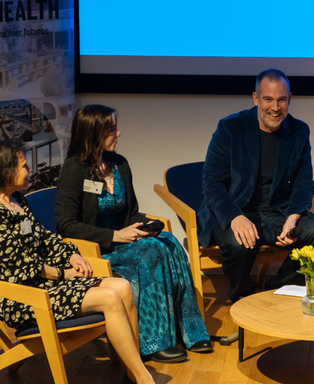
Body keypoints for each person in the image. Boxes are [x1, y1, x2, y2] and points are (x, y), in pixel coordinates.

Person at [0, 140, 175, 384]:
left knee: (123, 287)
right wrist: (62, 273)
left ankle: (131, 373)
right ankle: (143, 380)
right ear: (5, 170)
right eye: (23, 165)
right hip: (24, 296)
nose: (29, 169)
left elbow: (43, 237)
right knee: (110, 298)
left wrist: (71, 255)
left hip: (44, 283)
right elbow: (14, 266)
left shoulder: (16, 200)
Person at [56, 105, 212, 364]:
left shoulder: (119, 164)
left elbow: (131, 214)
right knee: (152, 251)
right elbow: (66, 225)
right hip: (97, 249)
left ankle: (190, 333)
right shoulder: (74, 169)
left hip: (122, 241)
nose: (118, 133)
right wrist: (115, 235)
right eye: (111, 130)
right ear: (93, 133)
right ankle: (153, 342)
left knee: (170, 242)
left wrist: (146, 225)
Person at [198, 68, 314, 303]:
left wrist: (293, 217)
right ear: (256, 98)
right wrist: (234, 218)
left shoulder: (299, 131)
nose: (275, 107)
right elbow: (212, 183)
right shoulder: (230, 127)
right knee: (237, 242)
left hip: (276, 211)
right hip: (236, 208)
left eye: (281, 100)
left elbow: (303, 183)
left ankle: (276, 290)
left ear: (289, 99)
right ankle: (243, 295)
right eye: (268, 99)